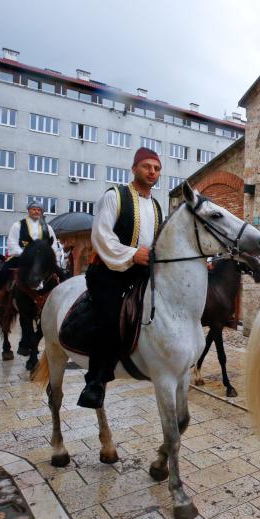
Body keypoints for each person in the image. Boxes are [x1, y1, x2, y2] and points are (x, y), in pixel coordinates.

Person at [78, 146, 163, 409]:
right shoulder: (115, 196)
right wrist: (131, 254)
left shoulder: (157, 206)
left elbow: (160, 243)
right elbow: (102, 235)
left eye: (157, 168)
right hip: (110, 271)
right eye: (147, 166)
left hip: (141, 272)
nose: (152, 172)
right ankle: (95, 382)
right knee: (111, 315)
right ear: (134, 168)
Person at [0, 200, 61, 317]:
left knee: (60, 274)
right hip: (22, 258)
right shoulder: (18, 225)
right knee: (1, 272)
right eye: (34, 209)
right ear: (28, 211)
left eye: (39, 210)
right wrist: (27, 254)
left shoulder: (47, 228)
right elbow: (12, 244)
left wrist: (52, 257)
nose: (36, 212)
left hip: (42, 260)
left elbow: (53, 245)